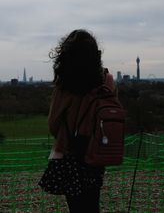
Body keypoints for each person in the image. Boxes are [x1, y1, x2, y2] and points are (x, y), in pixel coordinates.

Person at [38, 29, 115, 213]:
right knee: (92, 203)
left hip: (71, 154)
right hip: (98, 153)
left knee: (77, 207)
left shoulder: (64, 87)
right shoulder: (107, 82)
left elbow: (53, 124)